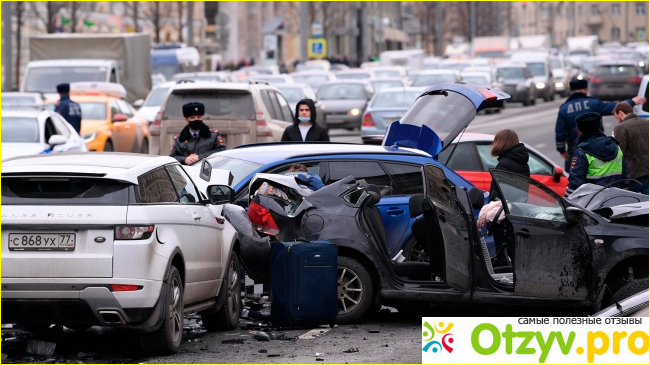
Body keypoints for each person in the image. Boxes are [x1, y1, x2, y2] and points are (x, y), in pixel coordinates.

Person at [555, 78, 645, 172]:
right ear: (583, 90)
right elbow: (613, 107)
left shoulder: (564, 108)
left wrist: (562, 150)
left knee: (574, 173)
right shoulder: (594, 103)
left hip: (574, 147)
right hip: (596, 145)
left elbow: (560, 132)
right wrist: (632, 102)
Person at [565, 112, 627, 197]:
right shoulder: (616, 146)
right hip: (617, 199)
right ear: (599, 127)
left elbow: (575, 183)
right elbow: (625, 178)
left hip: (593, 203)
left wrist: (565, 201)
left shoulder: (581, 151)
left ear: (580, 131)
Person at [613, 102, 649, 194]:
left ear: (620, 112)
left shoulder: (621, 127)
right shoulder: (647, 122)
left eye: (616, 117)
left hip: (635, 173)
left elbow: (620, 152)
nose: (617, 120)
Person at [488, 129, 530, 202]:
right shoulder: (523, 162)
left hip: (505, 207)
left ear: (500, 143)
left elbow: (499, 191)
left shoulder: (504, 163)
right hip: (519, 205)